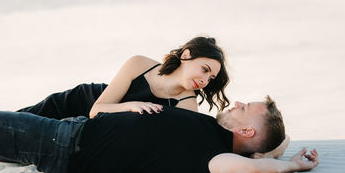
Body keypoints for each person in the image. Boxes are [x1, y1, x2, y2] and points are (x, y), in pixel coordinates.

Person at [0, 96, 319, 173]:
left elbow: (251, 171)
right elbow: (272, 146)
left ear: (246, 132)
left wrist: (289, 166)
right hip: (66, 134)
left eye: (246, 108)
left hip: (61, 142)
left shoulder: (215, 156)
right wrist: (272, 153)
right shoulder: (213, 133)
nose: (238, 103)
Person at [16, 36, 230, 120]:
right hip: (79, 101)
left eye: (211, 78)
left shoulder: (187, 105)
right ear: (186, 55)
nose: (205, 80)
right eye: (205, 69)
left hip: (86, 131)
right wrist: (132, 105)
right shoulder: (139, 64)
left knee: (6, 151)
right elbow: (96, 110)